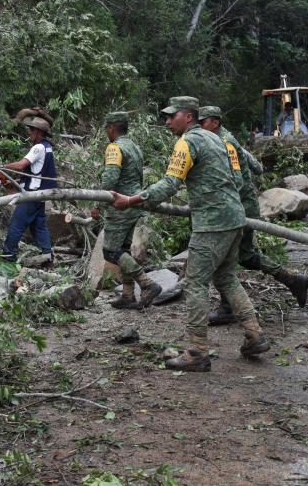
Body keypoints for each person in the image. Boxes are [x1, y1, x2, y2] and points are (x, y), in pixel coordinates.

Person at [110, 96, 269, 372]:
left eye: (172, 116)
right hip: (235, 217)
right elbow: (234, 179)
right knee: (227, 278)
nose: (168, 121)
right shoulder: (216, 139)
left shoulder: (187, 142)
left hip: (212, 224)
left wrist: (132, 200)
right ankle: (255, 335)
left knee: (195, 283)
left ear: (188, 116)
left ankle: (196, 351)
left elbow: (170, 184)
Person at [196, 106, 308, 326]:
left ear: (215, 123)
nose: (199, 127)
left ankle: (230, 307)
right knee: (244, 256)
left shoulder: (225, 142)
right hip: (242, 205)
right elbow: (256, 166)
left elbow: (236, 180)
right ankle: (291, 280)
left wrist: (224, 205)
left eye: (203, 123)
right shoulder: (228, 139)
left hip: (238, 207)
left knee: (226, 257)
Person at [90, 112, 162, 309]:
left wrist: (98, 204)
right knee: (123, 251)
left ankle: (147, 284)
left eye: (107, 128)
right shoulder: (135, 147)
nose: (106, 132)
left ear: (112, 128)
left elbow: (110, 180)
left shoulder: (115, 147)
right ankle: (128, 295)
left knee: (111, 252)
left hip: (120, 206)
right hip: (135, 204)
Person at [0, 115, 57, 265]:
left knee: (16, 224)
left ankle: (8, 255)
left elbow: (21, 165)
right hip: (41, 194)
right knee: (38, 226)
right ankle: (47, 254)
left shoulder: (38, 148)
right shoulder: (48, 147)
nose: (29, 133)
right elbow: (38, 172)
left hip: (33, 194)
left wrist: (1, 167)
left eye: (31, 130)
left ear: (38, 132)